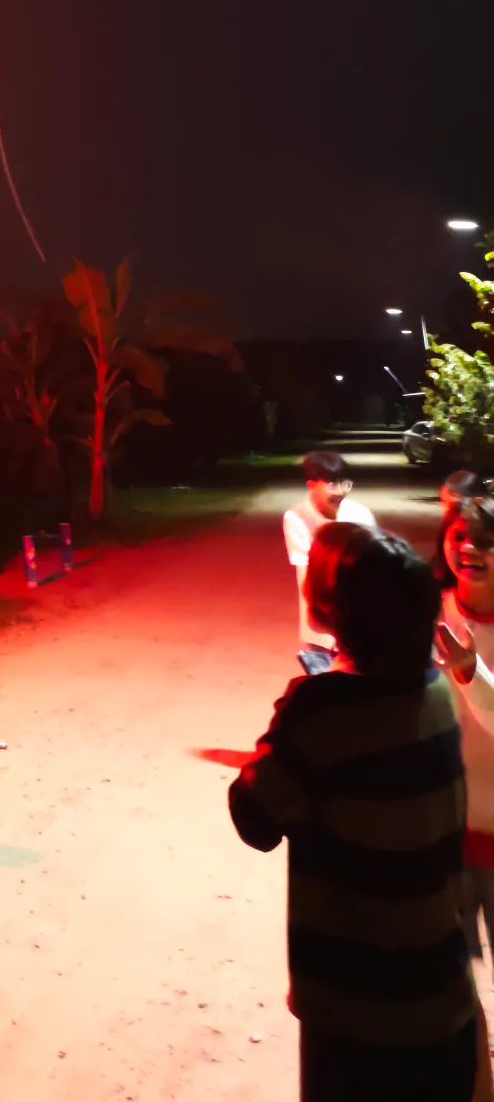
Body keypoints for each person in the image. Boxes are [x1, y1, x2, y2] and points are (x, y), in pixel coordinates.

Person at [230, 524, 480, 1101]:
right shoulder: (436, 689)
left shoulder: (319, 709)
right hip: (441, 993)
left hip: (358, 1011)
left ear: (331, 609)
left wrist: (286, 724)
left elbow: (254, 818)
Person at [432, 489, 494, 966]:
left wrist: (472, 673)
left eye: (487, 540)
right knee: (449, 973)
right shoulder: (424, 613)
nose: (469, 548)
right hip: (441, 833)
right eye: (460, 536)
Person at [282, 450, 377, 658]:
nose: (340, 491)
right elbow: (306, 576)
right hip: (321, 623)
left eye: (345, 483)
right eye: (332, 484)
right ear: (311, 484)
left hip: (361, 619)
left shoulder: (360, 515)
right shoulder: (296, 517)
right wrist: (325, 631)